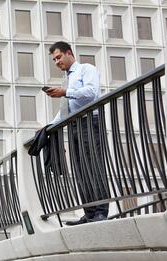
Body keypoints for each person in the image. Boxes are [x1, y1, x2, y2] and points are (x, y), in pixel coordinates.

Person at [44, 41, 109, 225]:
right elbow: (66, 109)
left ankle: (101, 212)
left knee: (94, 166)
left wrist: (65, 91)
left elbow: (91, 92)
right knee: (80, 170)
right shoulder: (67, 80)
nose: (57, 62)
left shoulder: (86, 69)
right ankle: (89, 213)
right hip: (74, 126)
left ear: (69, 53)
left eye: (59, 57)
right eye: (54, 59)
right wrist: (48, 126)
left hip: (90, 122)